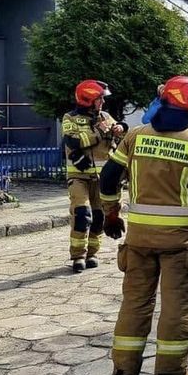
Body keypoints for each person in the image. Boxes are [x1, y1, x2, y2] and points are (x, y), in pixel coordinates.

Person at [99, 76, 188, 375]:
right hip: (180, 245)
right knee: (177, 307)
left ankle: (124, 371)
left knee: (134, 303)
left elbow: (107, 177)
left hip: (139, 241)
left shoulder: (135, 136)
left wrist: (111, 213)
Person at [62, 80, 124, 273]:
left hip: (102, 177)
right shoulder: (70, 118)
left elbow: (118, 134)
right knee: (82, 214)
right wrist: (98, 133)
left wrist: (120, 128)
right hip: (79, 176)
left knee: (98, 217)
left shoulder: (105, 116)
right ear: (88, 99)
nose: (103, 103)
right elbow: (73, 141)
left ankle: (92, 254)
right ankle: (78, 255)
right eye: (100, 99)